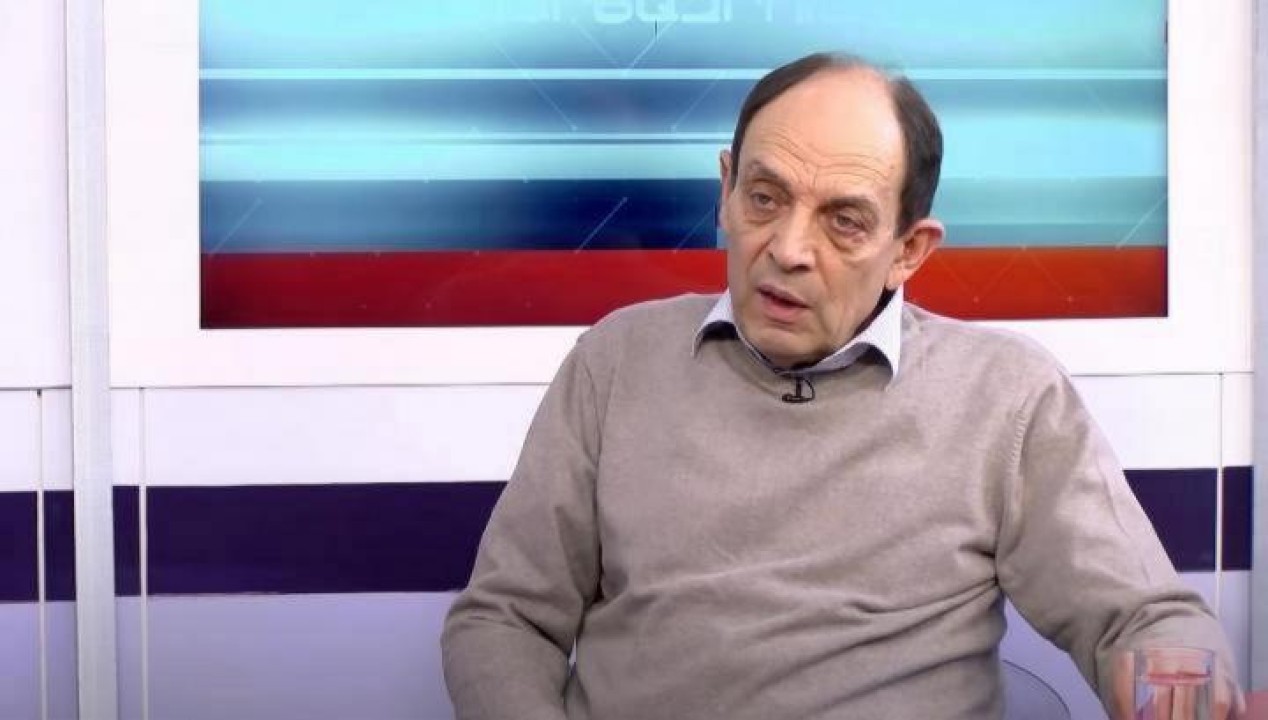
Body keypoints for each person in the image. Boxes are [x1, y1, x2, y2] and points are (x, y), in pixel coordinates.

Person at [441, 52, 1243, 719]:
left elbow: (1145, 618)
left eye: (844, 221)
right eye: (764, 199)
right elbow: (504, 618)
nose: (788, 249)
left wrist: (1178, 687)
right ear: (725, 191)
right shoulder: (617, 362)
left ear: (909, 251)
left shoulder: (1006, 396)